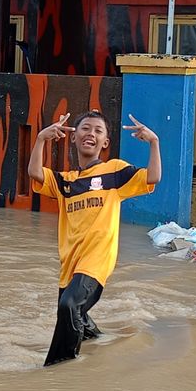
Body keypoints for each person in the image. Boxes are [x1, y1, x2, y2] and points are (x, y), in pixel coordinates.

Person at [28, 109, 160, 367]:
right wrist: (41, 139)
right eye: (85, 129)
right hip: (70, 263)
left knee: (69, 306)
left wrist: (154, 143)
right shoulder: (66, 182)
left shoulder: (115, 172)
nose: (91, 134)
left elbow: (153, 177)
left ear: (105, 142)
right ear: (74, 137)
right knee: (72, 312)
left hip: (97, 260)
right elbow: (35, 173)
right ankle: (98, 340)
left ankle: (60, 368)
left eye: (98, 131)